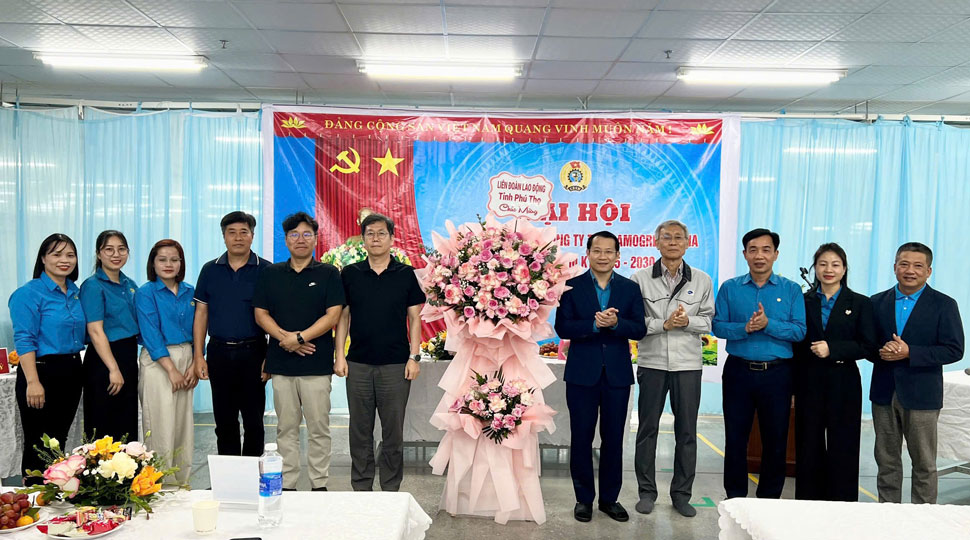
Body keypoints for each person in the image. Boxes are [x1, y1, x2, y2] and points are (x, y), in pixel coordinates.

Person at [555, 231, 647, 523]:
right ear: (588, 253)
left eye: (609, 251)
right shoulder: (570, 286)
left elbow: (639, 329)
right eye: (598, 251)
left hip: (617, 375)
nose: (603, 256)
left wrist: (617, 323)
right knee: (581, 438)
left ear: (618, 256)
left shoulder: (630, 289)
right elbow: (563, 327)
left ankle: (610, 499)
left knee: (613, 439)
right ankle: (583, 499)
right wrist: (594, 325)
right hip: (582, 374)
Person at [253, 212, 344, 491]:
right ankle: (288, 483)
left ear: (316, 239)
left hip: (316, 364)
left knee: (319, 428)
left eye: (307, 234)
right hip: (281, 364)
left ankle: (319, 484)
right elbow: (260, 313)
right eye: (294, 234)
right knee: (285, 429)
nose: (300, 239)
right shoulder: (270, 274)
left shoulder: (328, 273)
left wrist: (301, 337)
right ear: (286, 240)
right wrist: (286, 339)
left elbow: (333, 315)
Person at [712, 228, 806, 499]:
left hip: (777, 375)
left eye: (766, 250)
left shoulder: (791, 289)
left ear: (776, 254)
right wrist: (745, 328)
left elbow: (799, 330)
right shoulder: (730, 288)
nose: (759, 255)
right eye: (753, 250)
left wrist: (769, 324)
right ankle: (735, 498)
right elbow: (718, 326)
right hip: (738, 372)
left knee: (776, 440)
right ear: (745, 254)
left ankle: (769, 500)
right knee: (735, 438)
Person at [334, 212, 424, 492]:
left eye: (381, 233)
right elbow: (343, 317)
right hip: (358, 364)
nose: (375, 238)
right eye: (370, 233)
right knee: (359, 431)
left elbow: (415, 319)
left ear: (392, 239)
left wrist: (414, 356)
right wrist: (339, 355)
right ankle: (361, 487)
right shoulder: (350, 274)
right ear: (363, 239)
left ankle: (390, 488)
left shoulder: (405, 274)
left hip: (396, 366)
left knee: (392, 433)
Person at [869, 242, 964, 504]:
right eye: (904, 264)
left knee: (923, 463)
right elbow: (866, 344)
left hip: (922, 394)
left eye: (917, 265)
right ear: (895, 267)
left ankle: (923, 518)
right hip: (884, 392)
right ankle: (887, 514)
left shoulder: (944, 304)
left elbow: (954, 350)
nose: (910, 270)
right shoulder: (876, 302)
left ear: (928, 271)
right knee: (886, 461)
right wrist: (882, 351)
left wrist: (911, 352)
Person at [630, 220, 714, 517]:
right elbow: (633, 323)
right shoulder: (639, 278)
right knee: (647, 430)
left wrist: (686, 322)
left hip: (688, 366)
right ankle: (646, 492)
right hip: (652, 363)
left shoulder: (702, 280)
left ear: (688, 243)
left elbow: (709, 321)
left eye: (679, 237)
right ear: (656, 242)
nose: (673, 242)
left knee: (687, 432)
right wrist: (662, 324)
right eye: (667, 237)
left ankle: (681, 495)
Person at [793, 243, 876, 501]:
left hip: (844, 382)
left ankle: (843, 504)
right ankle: (807, 503)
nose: (829, 269)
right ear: (815, 268)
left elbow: (869, 345)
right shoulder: (803, 301)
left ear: (844, 269)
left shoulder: (861, 303)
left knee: (844, 444)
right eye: (823, 264)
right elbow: (794, 344)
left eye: (835, 264)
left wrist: (834, 349)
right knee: (808, 444)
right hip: (809, 381)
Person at [8, 234, 86, 484]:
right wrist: (32, 381)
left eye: (70, 255)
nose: (64, 260)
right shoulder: (29, 293)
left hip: (72, 369)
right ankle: (34, 499)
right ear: (43, 258)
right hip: (40, 372)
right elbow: (24, 339)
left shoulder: (75, 292)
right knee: (38, 443)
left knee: (59, 441)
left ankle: (56, 497)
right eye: (56, 254)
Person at [192, 211, 271, 457]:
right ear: (224, 236)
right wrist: (198, 355)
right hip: (219, 352)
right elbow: (201, 313)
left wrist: (272, 356)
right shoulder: (210, 270)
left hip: (254, 352)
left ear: (252, 236)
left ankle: (252, 478)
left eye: (243, 232)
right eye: (232, 232)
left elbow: (276, 316)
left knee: (254, 421)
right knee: (224, 421)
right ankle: (229, 481)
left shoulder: (266, 270)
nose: (238, 238)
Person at [135, 239, 196, 485]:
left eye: (174, 259)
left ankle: (181, 483)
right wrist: (171, 370)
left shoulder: (191, 292)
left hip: (188, 356)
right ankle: (158, 484)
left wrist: (194, 362)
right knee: (160, 424)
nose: (169, 264)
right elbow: (151, 334)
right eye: (162, 259)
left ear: (181, 263)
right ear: (153, 263)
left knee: (183, 425)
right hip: (159, 361)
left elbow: (199, 328)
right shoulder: (145, 292)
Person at [79, 230, 139, 441]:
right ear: (98, 254)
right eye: (109, 249)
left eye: (121, 249)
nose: (116, 254)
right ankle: (101, 473)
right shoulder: (93, 286)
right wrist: (113, 369)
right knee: (103, 424)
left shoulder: (130, 285)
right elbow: (95, 331)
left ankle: (130, 473)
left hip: (129, 355)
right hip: (104, 359)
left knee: (127, 421)